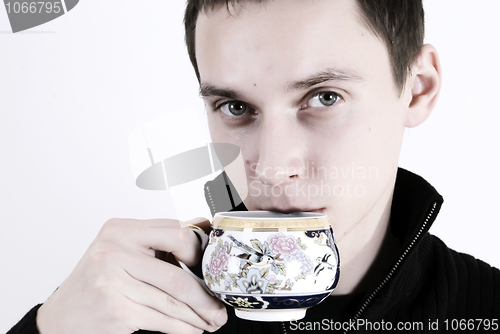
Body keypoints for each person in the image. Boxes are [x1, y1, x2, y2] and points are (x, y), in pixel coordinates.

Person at [7, 0, 499, 333]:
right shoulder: (122, 310)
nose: (272, 167)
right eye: (236, 108)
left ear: (418, 88)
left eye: (324, 97)